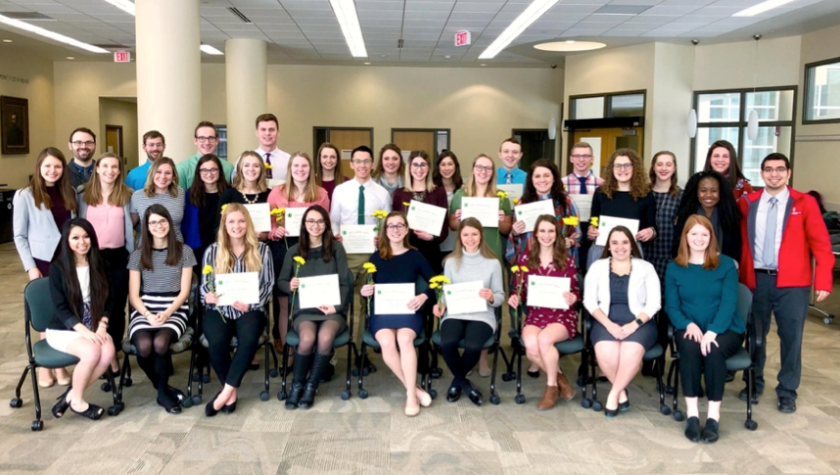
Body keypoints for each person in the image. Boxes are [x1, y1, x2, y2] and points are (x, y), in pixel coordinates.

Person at [738, 153, 834, 413]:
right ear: (762, 173)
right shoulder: (749, 203)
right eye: (769, 169)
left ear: (788, 173)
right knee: (755, 336)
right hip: (755, 280)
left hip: (792, 284)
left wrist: (823, 280)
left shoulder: (805, 203)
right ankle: (753, 383)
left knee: (791, 337)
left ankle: (787, 390)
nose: (774, 174)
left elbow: (822, 245)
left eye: (780, 169)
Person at [665, 215, 745, 443]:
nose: (699, 238)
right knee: (689, 350)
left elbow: (729, 303)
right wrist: (686, 324)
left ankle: (713, 417)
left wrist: (712, 332)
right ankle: (692, 415)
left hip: (726, 327)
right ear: (686, 237)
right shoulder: (674, 267)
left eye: (704, 234)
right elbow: (671, 305)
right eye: (694, 234)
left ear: (711, 237)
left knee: (713, 350)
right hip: (689, 326)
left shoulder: (727, 264)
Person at [201, 203, 274, 416]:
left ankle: (224, 394)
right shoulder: (213, 251)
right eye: (231, 221)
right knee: (216, 342)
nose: (237, 226)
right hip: (220, 310)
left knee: (249, 340)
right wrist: (209, 295)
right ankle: (230, 392)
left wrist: (252, 303)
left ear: (248, 223)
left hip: (251, 309)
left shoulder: (262, 250)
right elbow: (206, 285)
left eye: (241, 221)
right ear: (224, 225)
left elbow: (268, 284)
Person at [277, 205, 353, 410]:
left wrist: (336, 307)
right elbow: (281, 281)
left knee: (326, 337)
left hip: (332, 310)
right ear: (304, 224)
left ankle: (312, 385)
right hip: (306, 310)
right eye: (310, 221)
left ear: (326, 225)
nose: (315, 225)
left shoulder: (337, 249)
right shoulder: (293, 251)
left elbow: (346, 282)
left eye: (320, 221)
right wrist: (290, 284)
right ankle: (296, 385)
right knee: (308, 338)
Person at [360, 212, 435, 416]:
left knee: (404, 339)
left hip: (408, 309)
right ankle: (415, 390)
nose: (395, 230)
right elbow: (368, 285)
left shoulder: (416, 255)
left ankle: (411, 396)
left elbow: (435, 282)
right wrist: (364, 290)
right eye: (391, 226)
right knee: (386, 342)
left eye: (400, 225)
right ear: (385, 230)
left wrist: (423, 297)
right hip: (383, 311)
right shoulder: (376, 256)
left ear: (407, 230)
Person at [14, 147, 77, 387]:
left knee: (63, 310)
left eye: (57, 166)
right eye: (48, 166)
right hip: (42, 262)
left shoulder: (68, 192)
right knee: (47, 312)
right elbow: (19, 236)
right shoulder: (25, 195)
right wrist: (30, 266)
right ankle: (48, 369)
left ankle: (58, 365)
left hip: (66, 261)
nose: (52, 171)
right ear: (39, 168)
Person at [584, 226, 661, 417]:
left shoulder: (646, 268)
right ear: (608, 246)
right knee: (605, 352)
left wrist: (633, 324)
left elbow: (654, 303)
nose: (620, 247)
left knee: (630, 351)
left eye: (625, 242)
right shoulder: (597, 267)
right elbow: (589, 301)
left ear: (632, 245)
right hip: (605, 320)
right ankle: (621, 392)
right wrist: (609, 325)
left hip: (639, 322)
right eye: (615, 242)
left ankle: (613, 394)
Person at [507, 215, 580, 410]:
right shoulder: (524, 259)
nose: (546, 235)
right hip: (536, 314)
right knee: (531, 346)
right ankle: (561, 379)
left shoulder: (567, 260)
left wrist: (574, 298)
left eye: (551, 231)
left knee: (545, 341)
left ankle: (551, 387)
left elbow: (576, 292)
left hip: (562, 316)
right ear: (535, 234)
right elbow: (517, 289)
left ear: (556, 234)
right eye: (542, 231)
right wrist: (514, 297)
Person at [128, 205, 195, 414]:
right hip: (144, 308)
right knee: (144, 346)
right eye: (153, 222)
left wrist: (167, 313)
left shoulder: (185, 251)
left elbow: (185, 292)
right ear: (146, 227)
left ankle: (162, 394)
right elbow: (133, 295)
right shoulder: (137, 255)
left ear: (169, 223)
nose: (158, 226)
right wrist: (147, 314)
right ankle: (163, 389)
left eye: (162, 221)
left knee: (160, 342)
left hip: (174, 307)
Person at [46, 218, 115, 421]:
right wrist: (84, 332)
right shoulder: (57, 268)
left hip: (94, 324)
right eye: (75, 237)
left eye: (86, 236)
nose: (82, 242)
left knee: (108, 351)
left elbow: (111, 300)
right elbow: (60, 308)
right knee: (93, 351)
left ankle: (71, 396)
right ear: (66, 240)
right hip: (64, 329)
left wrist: (102, 327)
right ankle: (78, 401)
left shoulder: (101, 264)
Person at [433, 218, 504, 407]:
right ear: (460, 237)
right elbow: (445, 293)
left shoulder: (493, 263)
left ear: (481, 235)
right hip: (455, 313)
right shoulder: (450, 262)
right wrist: (439, 304)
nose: (470, 238)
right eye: (465, 234)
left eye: (474, 234)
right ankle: (465, 385)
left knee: (473, 345)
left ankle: (457, 383)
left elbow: (500, 297)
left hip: (482, 315)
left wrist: (491, 297)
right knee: (447, 342)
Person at [267, 152, 330, 352]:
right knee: (285, 303)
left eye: (304, 166)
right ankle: (288, 353)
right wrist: (274, 231)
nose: (300, 170)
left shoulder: (321, 194)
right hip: (283, 248)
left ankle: (310, 347)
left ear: (310, 170)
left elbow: (325, 224)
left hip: (312, 249)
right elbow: (268, 224)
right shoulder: (277, 192)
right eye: (296, 166)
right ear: (290, 169)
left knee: (311, 298)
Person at [77, 153, 134, 372]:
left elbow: (131, 226)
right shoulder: (83, 195)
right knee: (96, 302)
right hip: (92, 257)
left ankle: (115, 350)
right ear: (97, 169)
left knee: (118, 304)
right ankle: (101, 351)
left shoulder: (127, 195)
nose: (110, 170)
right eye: (105, 166)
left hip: (120, 256)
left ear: (120, 171)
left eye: (115, 167)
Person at [586, 149, 656, 268]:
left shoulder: (645, 194)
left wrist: (651, 232)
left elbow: (652, 227)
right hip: (602, 250)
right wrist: (591, 229)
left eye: (627, 165)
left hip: (632, 252)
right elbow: (593, 219)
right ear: (611, 169)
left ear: (635, 168)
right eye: (618, 165)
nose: (622, 169)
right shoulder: (601, 193)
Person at [329, 145, 392, 277]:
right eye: (358, 161)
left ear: (373, 164)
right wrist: (335, 235)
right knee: (347, 293)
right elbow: (334, 220)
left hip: (373, 252)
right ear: (351, 164)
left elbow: (388, 225)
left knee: (369, 292)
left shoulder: (383, 193)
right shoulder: (340, 191)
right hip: (347, 251)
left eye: (366, 161)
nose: (362, 165)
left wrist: (382, 239)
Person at [508, 159, 580, 264]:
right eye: (537, 176)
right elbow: (516, 237)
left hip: (558, 261)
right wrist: (514, 232)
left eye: (546, 175)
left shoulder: (566, 201)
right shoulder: (523, 202)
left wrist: (571, 241)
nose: (542, 180)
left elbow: (577, 233)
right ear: (531, 179)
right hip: (530, 259)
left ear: (554, 178)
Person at [392, 151, 449, 274]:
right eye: (415, 165)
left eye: (423, 164)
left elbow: (444, 229)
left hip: (430, 252)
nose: (419, 169)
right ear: (409, 168)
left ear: (428, 168)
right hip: (405, 251)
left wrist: (432, 238)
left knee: (431, 290)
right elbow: (393, 226)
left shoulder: (438, 193)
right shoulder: (399, 194)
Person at [450, 154, 512, 261]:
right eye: (479, 167)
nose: (483, 172)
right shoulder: (460, 194)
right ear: (473, 170)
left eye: (488, 168)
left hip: (492, 246)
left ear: (492, 172)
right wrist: (458, 220)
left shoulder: (501, 197)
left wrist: (501, 221)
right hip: (467, 247)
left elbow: (506, 230)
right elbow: (452, 226)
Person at [673, 171, 741, 262]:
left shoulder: (729, 216)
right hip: (691, 267)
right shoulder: (686, 215)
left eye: (714, 191)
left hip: (722, 268)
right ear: (696, 192)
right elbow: (678, 247)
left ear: (721, 193)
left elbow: (735, 250)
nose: (708, 195)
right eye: (703, 190)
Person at [561, 141, 604, 271]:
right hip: (569, 236)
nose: (581, 159)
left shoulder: (602, 184)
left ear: (592, 159)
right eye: (577, 156)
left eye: (585, 156)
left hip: (594, 235)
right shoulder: (560, 184)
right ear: (571, 158)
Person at [182, 154, 229, 267]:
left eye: (213, 169)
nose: (209, 173)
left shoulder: (229, 194)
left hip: (224, 247)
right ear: (198, 172)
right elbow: (186, 224)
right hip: (198, 248)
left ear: (220, 171)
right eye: (204, 170)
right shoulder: (190, 195)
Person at [130, 157, 185, 246]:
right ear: (152, 173)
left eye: (168, 173)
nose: (163, 176)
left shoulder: (180, 194)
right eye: (158, 172)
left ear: (173, 176)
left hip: (176, 249)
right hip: (146, 250)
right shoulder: (138, 196)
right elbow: (130, 226)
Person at [646, 151, 682, 282]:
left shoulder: (681, 197)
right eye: (659, 164)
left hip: (670, 259)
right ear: (653, 167)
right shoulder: (642, 194)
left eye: (668, 164)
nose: (664, 168)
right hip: (643, 256)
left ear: (674, 168)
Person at [220, 151, 270, 242]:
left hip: (264, 247)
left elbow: (276, 225)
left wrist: (265, 236)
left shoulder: (270, 194)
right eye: (246, 165)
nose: (251, 169)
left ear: (261, 169)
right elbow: (219, 226)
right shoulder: (228, 195)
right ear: (240, 169)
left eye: (256, 166)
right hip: (234, 247)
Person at [232, 113, 290, 184]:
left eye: (271, 130)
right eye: (263, 129)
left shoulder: (288, 160)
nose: (267, 133)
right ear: (257, 133)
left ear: (278, 133)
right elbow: (235, 182)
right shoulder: (244, 159)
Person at [176, 121, 234, 189]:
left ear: (217, 141)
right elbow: (178, 198)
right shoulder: (182, 169)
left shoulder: (229, 168)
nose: (207, 142)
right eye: (202, 138)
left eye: (211, 138)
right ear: (195, 140)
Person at [432, 151, 463, 257]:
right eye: (443, 164)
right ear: (438, 167)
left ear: (456, 166)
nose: (446, 168)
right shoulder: (431, 189)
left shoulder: (464, 189)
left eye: (450, 164)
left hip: (457, 240)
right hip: (437, 240)